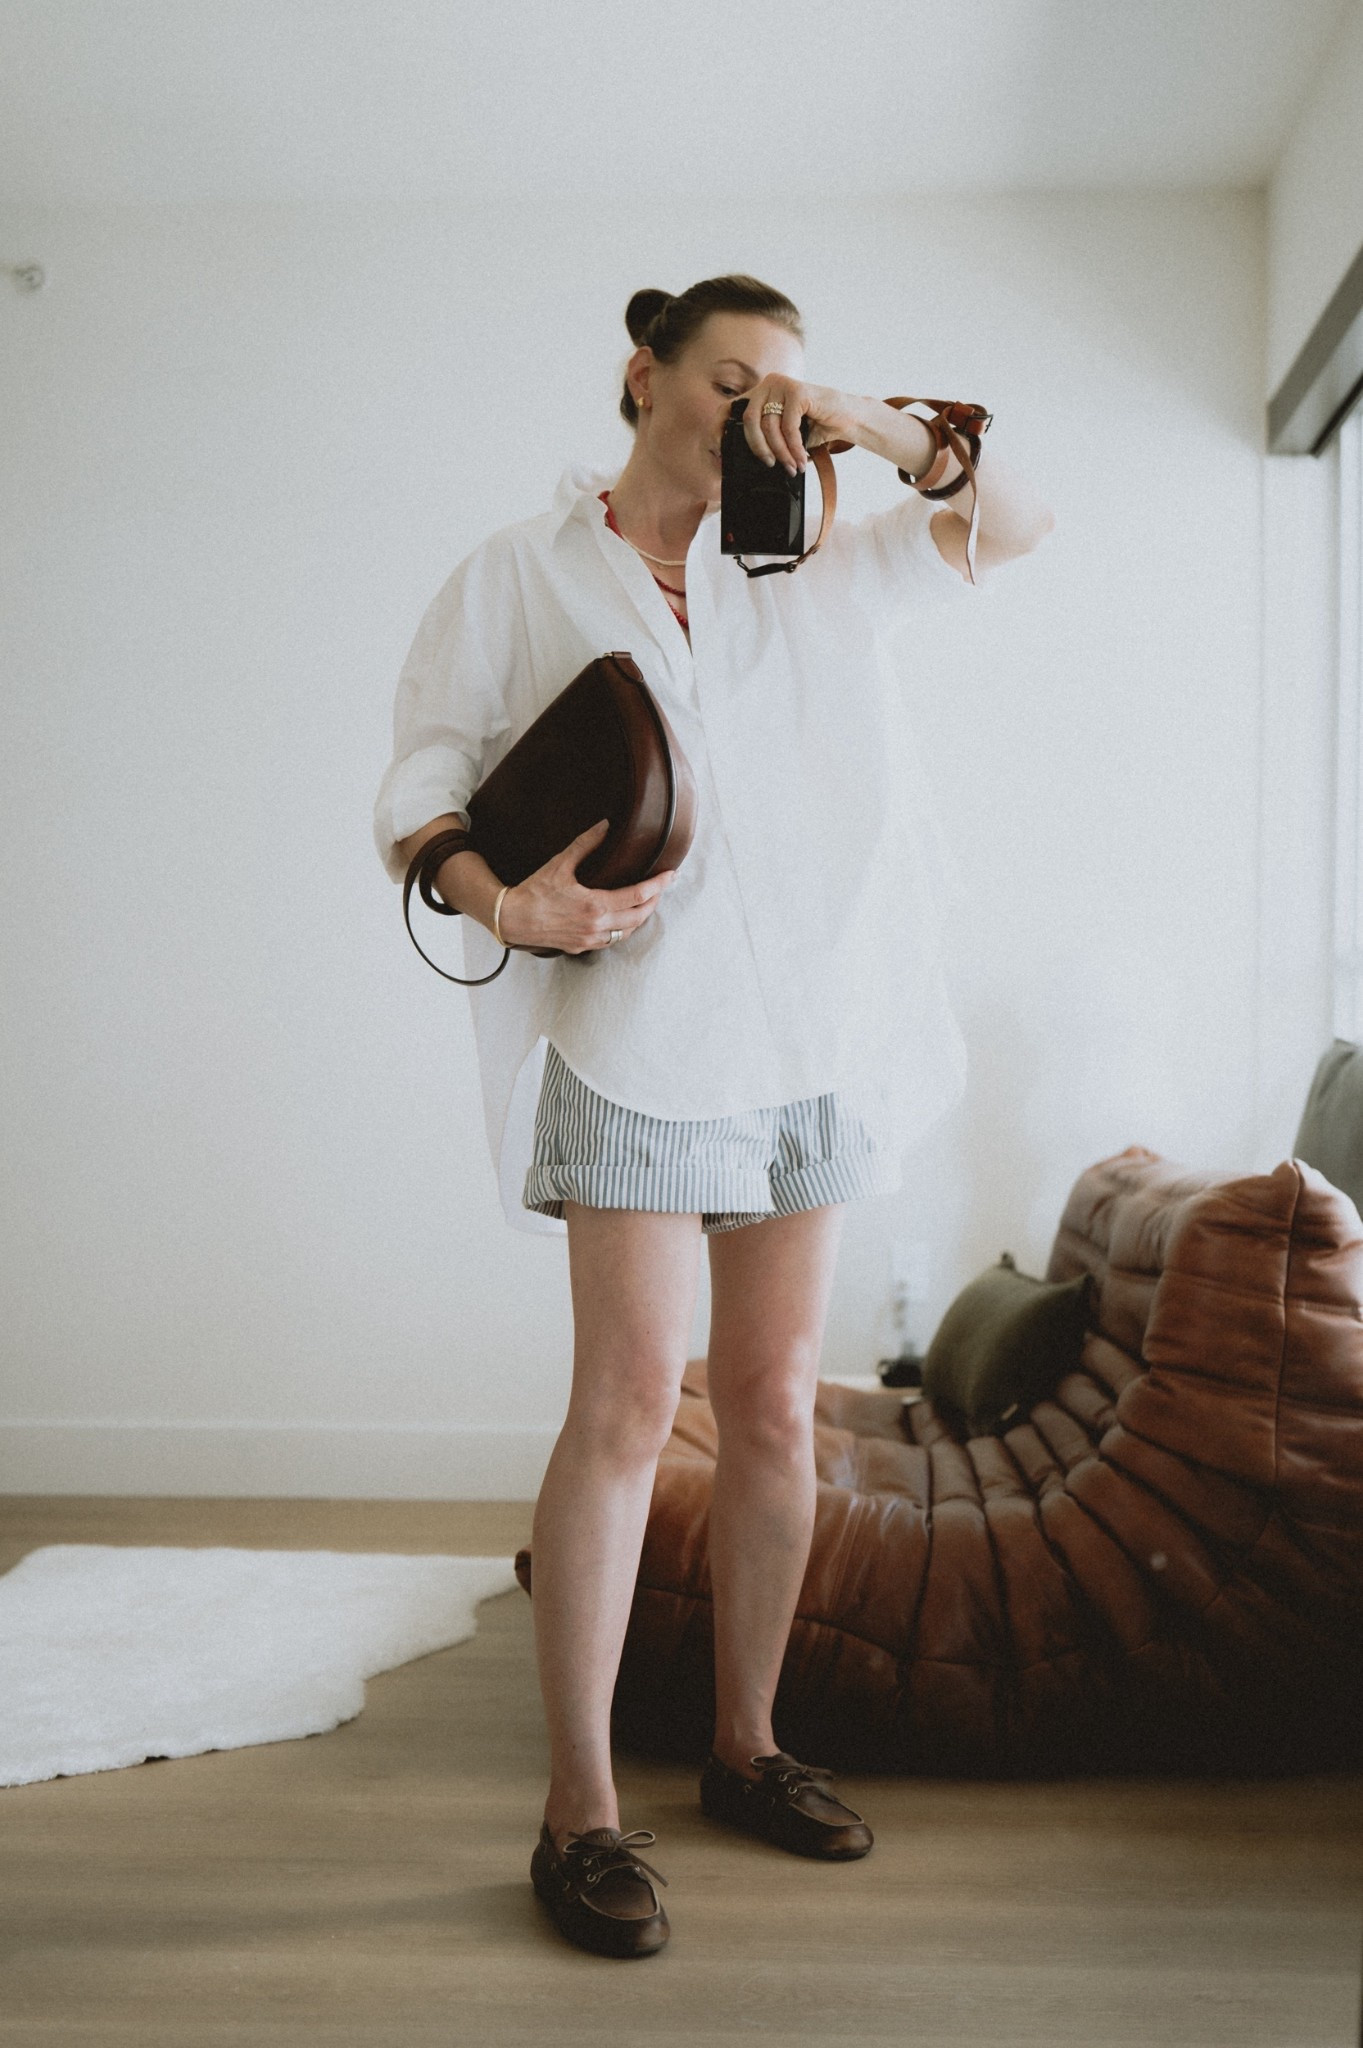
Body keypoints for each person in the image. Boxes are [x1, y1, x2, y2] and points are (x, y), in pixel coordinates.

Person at [374, 274, 1056, 1959]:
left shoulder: (828, 555)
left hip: (815, 1037)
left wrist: (872, 431)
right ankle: (580, 1814)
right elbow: (420, 781)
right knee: (621, 1413)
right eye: (731, 377)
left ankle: (749, 1748)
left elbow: (1019, 520)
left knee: (768, 1409)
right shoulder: (522, 572)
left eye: (787, 388)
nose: (759, 408)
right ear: (644, 377)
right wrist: (502, 904)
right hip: (636, 1039)